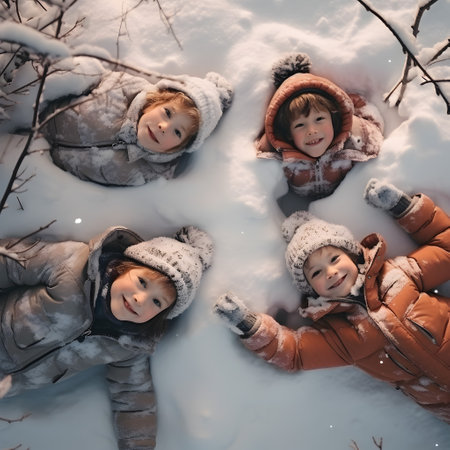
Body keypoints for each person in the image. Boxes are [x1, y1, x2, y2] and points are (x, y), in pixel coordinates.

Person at [214, 178, 450, 423]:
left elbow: (445, 249)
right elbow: (295, 353)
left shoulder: (399, 276)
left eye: (335, 259)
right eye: (316, 273)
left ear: (354, 255)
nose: (330, 272)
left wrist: (403, 207)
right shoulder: (341, 336)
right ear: (311, 289)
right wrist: (248, 325)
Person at [0, 224, 214, 449]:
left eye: (157, 302)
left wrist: (138, 444)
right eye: (142, 282)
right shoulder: (71, 265)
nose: (140, 299)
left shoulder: (128, 344)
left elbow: (132, 396)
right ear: (125, 266)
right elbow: (11, 264)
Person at [38, 57, 233, 186]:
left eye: (178, 132)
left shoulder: (146, 173)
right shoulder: (121, 88)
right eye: (167, 112)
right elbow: (81, 76)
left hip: (41, 169)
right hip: (32, 113)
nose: (164, 127)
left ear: (182, 147)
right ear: (154, 102)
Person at [256, 53, 384, 199]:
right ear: (288, 133)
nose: (312, 131)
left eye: (319, 119)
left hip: (347, 203)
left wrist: (352, 107)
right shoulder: (277, 156)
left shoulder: (354, 140)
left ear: (333, 119)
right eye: (299, 125)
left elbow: (375, 129)